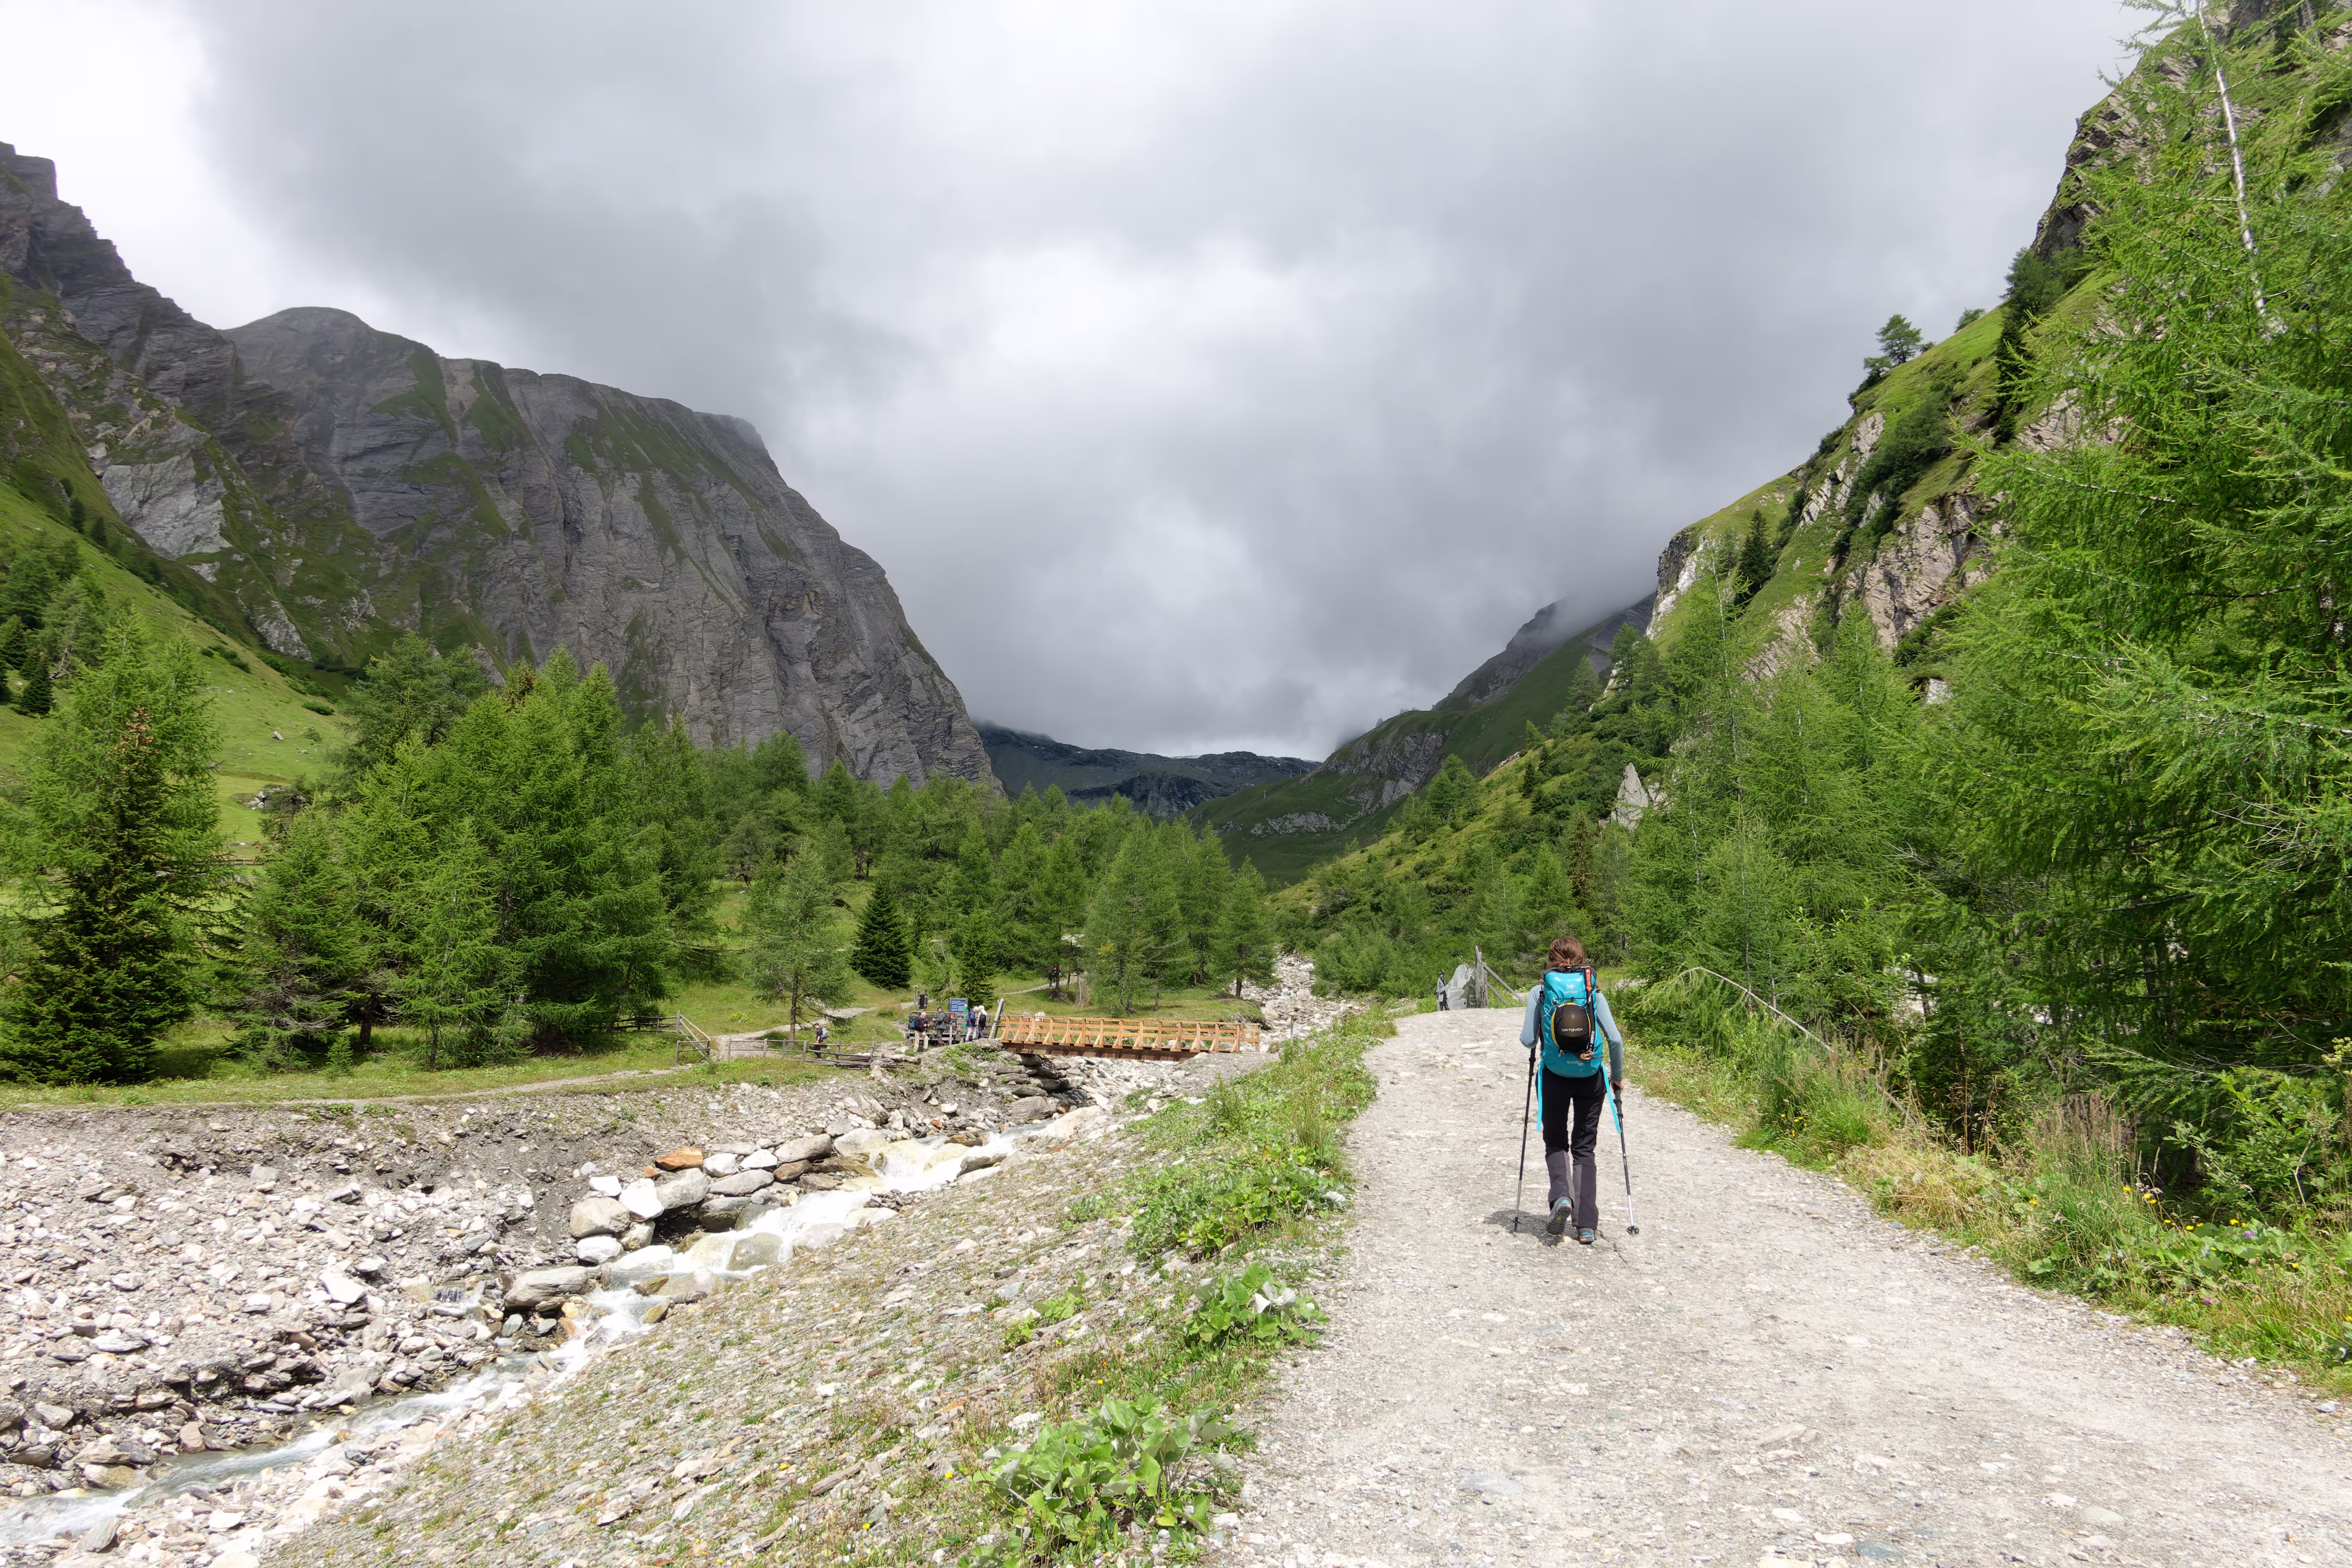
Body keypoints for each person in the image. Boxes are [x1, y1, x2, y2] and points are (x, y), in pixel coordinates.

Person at [1520, 934, 1625, 1245]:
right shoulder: (1593, 992)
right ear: (1582, 959)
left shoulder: (1541, 992)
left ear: (1551, 960)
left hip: (1553, 1074)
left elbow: (1528, 1040)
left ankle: (1562, 1197)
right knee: (1584, 1147)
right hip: (1591, 1075)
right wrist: (1617, 1077)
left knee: (1555, 1140)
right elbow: (1616, 1040)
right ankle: (1586, 1226)